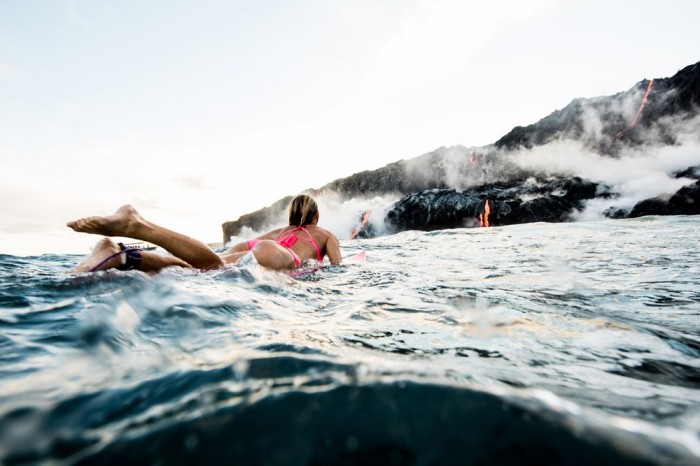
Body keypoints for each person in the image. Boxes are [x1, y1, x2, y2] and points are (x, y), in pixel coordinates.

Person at [67, 194, 342, 274]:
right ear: (315, 216)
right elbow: (337, 267)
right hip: (279, 256)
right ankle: (138, 225)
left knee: (197, 267)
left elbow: (258, 245)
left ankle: (123, 256)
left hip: (261, 246)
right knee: (214, 265)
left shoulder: (280, 230)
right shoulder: (325, 233)